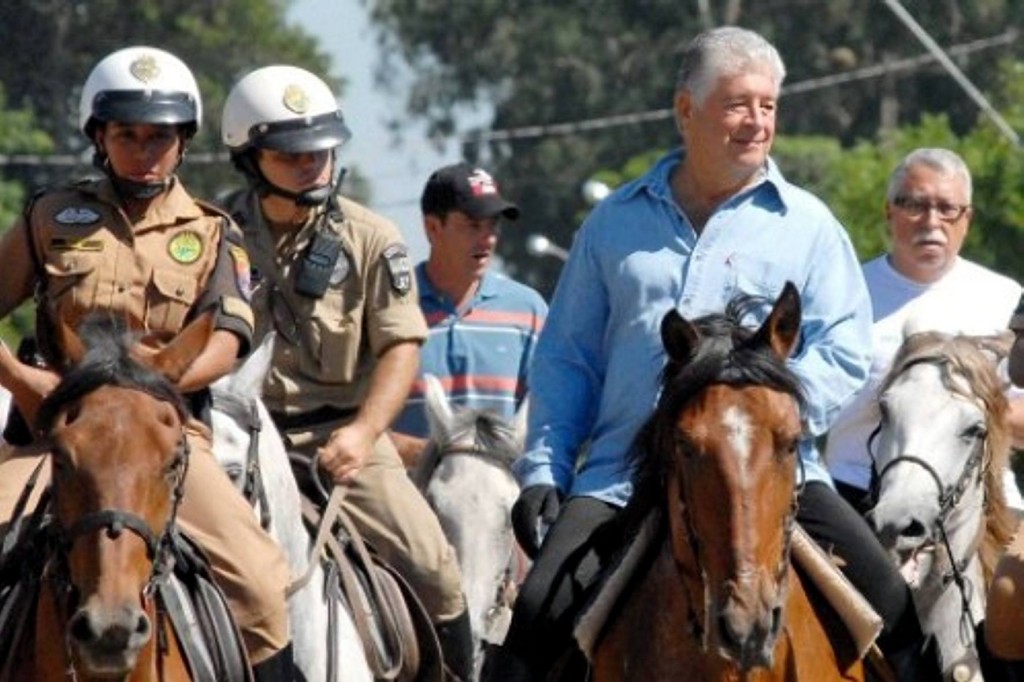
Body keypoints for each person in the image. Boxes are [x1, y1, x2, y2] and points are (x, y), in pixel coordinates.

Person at [483, 26, 936, 681]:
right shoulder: (613, 223)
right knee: (534, 617)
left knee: (897, 614)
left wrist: (759, 413)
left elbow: (844, 349)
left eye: (768, 105)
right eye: (737, 104)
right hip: (621, 480)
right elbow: (567, 360)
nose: (756, 122)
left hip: (780, 477)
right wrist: (544, 472)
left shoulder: (809, 227)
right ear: (685, 110)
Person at [0, 47, 294, 679]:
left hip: (168, 440)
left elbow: (230, 338)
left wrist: (156, 384)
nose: (143, 148)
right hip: (57, 439)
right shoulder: (49, 216)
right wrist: (24, 382)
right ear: (99, 138)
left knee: (265, 594)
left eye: (159, 135)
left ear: (183, 142)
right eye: (126, 134)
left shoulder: (216, 232)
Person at [220, 64, 474, 680]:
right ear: (250, 158)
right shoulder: (211, 232)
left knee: (436, 568)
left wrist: (363, 434)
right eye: (292, 154)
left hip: (340, 442)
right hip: (235, 440)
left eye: (322, 150)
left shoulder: (371, 237)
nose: (313, 164)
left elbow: (401, 346)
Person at [826, 147, 1024, 515]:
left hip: (982, 504)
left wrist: (967, 406)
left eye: (948, 208)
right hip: (854, 495)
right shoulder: (843, 292)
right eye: (915, 205)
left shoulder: (1007, 298)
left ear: (968, 218)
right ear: (889, 210)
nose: (932, 221)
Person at [390, 162, 547, 465]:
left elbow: (551, 417)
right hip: (405, 502)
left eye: (493, 226)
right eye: (473, 225)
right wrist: (438, 458)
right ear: (433, 228)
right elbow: (359, 423)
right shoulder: (389, 309)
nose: (487, 239)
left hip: (504, 504)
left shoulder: (528, 312)